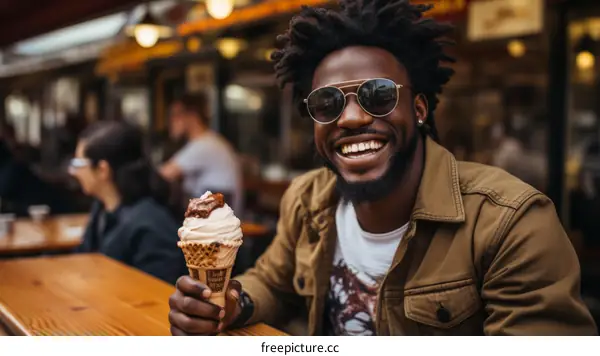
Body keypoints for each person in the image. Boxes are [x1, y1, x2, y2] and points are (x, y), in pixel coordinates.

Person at [167, 0, 597, 336]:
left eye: (377, 95)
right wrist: (230, 306)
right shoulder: (308, 198)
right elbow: (274, 281)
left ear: (420, 108)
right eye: (328, 103)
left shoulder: (510, 223)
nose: (351, 118)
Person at [69, 121, 186, 285]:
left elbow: (158, 292)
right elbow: (83, 257)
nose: (73, 171)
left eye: (78, 164)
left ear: (103, 169)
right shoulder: (103, 206)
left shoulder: (150, 224)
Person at [160, 93, 243, 215]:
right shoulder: (208, 141)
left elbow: (162, 175)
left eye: (176, 115)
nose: (171, 121)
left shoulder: (205, 145)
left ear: (192, 116)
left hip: (218, 223)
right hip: (213, 217)